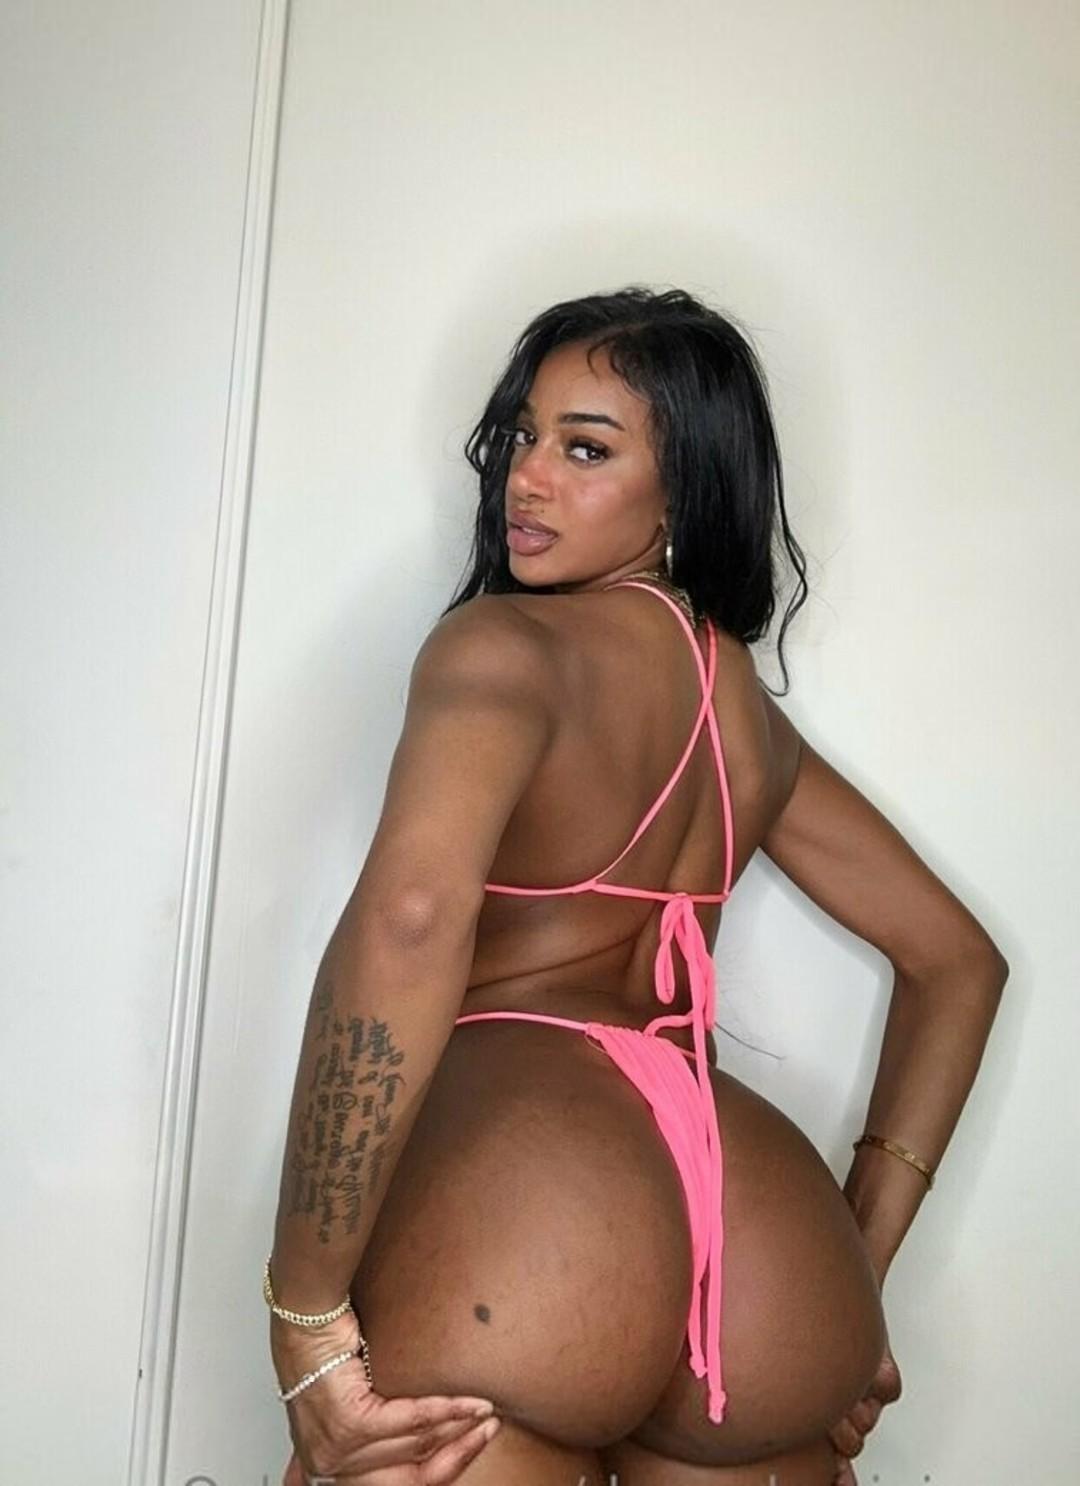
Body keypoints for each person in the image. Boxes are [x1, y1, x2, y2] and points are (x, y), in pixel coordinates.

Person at [265, 287, 1008, 1486]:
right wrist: (852, 1278)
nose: (525, 477)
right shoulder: (746, 720)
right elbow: (960, 961)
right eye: (524, 435)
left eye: (586, 449)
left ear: (683, 492)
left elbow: (408, 922)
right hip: (763, 1247)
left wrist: (304, 1305)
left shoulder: (501, 650)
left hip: (530, 1213)